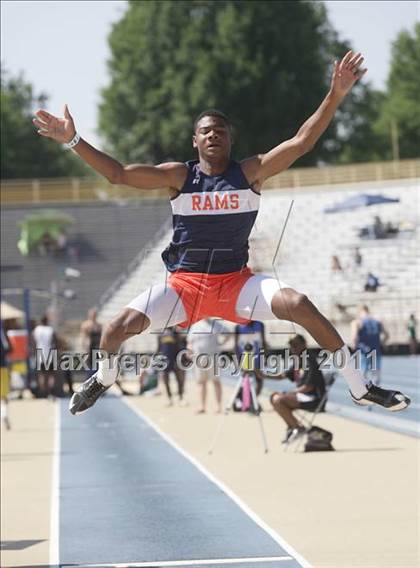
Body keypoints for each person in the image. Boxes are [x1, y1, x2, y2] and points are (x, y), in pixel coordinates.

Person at [33, 50, 410, 415]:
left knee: (299, 304)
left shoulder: (249, 173)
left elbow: (302, 143)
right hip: (183, 287)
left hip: (235, 284)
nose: (213, 135)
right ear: (194, 141)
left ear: (230, 140)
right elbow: (118, 174)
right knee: (114, 330)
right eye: (205, 131)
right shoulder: (178, 176)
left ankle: (360, 386)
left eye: (220, 131)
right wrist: (73, 141)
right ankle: (103, 377)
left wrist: (336, 94)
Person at [268, 335, 326, 443]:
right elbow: (282, 375)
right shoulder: (299, 360)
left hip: (313, 398)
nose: (293, 348)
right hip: (303, 396)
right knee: (273, 397)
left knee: (279, 400)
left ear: (304, 344)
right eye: (291, 345)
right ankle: (292, 427)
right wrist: (262, 375)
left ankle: (297, 428)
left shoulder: (309, 360)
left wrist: (288, 393)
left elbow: (308, 387)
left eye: (295, 345)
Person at [187, 318, 229, 414]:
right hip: (199, 358)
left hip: (213, 357)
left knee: (216, 381)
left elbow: (228, 333)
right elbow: (190, 342)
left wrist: (221, 343)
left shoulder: (216, 324)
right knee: (201, 382)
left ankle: (219, 407)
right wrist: (189, 351)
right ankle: (202, 406)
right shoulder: (195, 325)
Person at [351, 305, 389, 386]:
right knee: (376, 376)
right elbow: (386, 335)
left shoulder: (357, 322)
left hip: (362, 351)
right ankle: (377, 393)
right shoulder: (378, 321)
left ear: (359, 312)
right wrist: (382, 343)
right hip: (376, 350)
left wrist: (353, 347)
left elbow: (354, 337)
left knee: (362, 375)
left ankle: (364, 394)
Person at [234, 320, 267, 396]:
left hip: (258, 359)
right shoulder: (238, 327)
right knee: (245, 381)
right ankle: (243, 400)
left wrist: (264, 357)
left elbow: (264, 342)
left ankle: (253, 400)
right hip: (245, 360)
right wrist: (238, 361)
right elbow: (236, 346)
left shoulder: (260, 325)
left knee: (259, 381)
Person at [158, 326, 188, 406]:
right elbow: (159, 348)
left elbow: (181, 346)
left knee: (180, 380)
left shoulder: (177, 333)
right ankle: (169, 398)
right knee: (165, 380)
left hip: (176, 360)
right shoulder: (161, 334)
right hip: (165, 360)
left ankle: (181, 397)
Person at [32, 314, 57, 398]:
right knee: (50, 375)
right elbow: (55, 342)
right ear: (47, 321)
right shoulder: (50, 330)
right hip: (49, 354)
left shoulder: (36, 330)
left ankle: (43, 393)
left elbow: (34, 342)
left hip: (40, 354)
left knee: (41, 375)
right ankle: (50, 392)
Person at [1, 320, 12, 430]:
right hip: (2, 367)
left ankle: (4, 415)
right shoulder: (2, 331)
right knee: (3, 396)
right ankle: (4, 415)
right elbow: (8, 348)